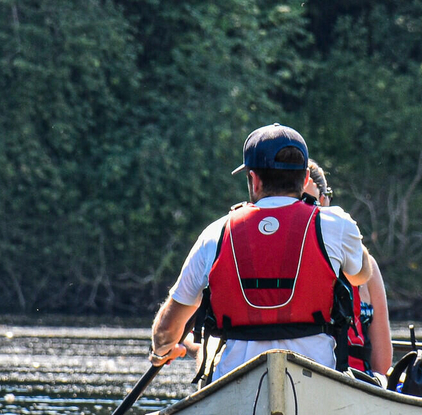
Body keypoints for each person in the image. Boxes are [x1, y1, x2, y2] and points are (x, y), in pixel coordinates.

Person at [150, 124, 393, 380]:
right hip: (316, 380)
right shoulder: (336, 224)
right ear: (306, 179)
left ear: (254, 180)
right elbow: (359, 275)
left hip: (235, 380)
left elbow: (166, 331)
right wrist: (344, 229)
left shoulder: (215, 234)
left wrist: (161, 350)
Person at [301, 159, 393, 380]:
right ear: (323, 200)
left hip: (304, 378)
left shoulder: (285, 260)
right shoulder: (366, 265)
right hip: (358, 383)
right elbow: (382, 363)